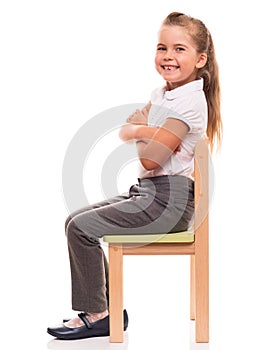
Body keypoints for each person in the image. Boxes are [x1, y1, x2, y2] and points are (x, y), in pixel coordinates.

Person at [47, 11, 222, 340]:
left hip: (168, 203)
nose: (168, 56)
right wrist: (147, 128)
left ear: (200, 59)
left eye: (179, 49)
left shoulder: (189, 103)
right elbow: (130, 125)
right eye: (162, 47)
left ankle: (98, 314)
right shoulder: (163, 95)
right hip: (148, 194)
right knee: (75, 221)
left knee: (82, 229)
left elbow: (151, 157)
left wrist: (140, 131)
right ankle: (105, 309)